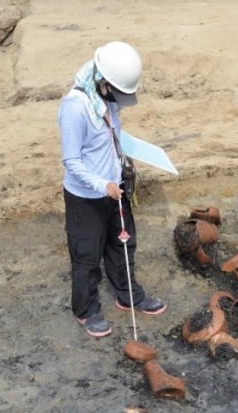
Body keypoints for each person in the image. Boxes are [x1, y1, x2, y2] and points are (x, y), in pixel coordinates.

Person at [58, 41, 165, 338]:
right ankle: (86, 309)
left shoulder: (106, 98)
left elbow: (109, 138)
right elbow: (71, 160)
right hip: (86, 198)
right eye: (117, 92)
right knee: (87, 256)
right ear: (102, 81)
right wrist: (101, 184)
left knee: (122, 245)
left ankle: (128, 294)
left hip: (114, 190)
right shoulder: (75, 108)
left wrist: (118, 174)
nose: (119, 100)